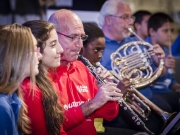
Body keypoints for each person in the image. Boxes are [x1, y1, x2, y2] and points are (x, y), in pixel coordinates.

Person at [98, 0, 169, 134]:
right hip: (123, 110)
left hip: (149, 101)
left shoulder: (135, 42)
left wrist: (158, 61)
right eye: (125, 17)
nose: (130, 22)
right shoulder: (96, 48)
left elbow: (162, 74)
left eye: (131, 17)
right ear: (108, 20)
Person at [48, 9, 123, 135]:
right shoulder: (43, 75)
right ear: (53, 36)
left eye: (82, 37)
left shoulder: (82, 68)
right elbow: (52, 126)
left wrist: (107, 94)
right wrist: (93, 104)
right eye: (73, 37)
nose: (80, 45)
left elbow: (109, 115)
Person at [21, 20, 66, 135]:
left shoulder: (44, 81)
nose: (61, 49)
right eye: (53, 44)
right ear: (36, 48)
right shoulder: (30, 90)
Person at [0, 24, 40, 135]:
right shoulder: (2, 106)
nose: (39, 56)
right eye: (34, 49)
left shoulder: (13, 96)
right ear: (18, 55)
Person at [146, 12, 180, 112]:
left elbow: (170, 81)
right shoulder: (144, 50)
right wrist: (162, 65)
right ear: (152, 31)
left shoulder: (166, 50)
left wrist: (177, 87)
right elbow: (147, 80)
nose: (170, 34)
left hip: (167, 92)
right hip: (154, 93)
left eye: (172, 30)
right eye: (165, 30)